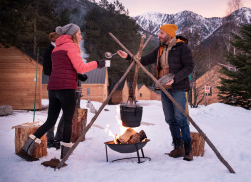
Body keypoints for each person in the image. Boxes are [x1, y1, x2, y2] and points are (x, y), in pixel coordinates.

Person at [17, 23, 106, 162]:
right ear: (72, 35)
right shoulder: (72, 46)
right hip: (66, 89)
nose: (81, 36)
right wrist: (97, 63)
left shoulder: (56, 48)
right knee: (68, 121)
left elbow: (64, 68)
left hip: (53, 88)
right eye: (79, 34)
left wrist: (76, 74)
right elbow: (80, 67)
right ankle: (65, 154)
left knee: (50, 121)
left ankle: (26, 148)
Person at [117, 24, 194, 161]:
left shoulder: (182, 48)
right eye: (159, 33)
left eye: (161, 33)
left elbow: (189, 67)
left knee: (181, 119)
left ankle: (188, 150)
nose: (159, 35)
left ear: (169, 35)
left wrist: (175, 79)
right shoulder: (160, 49)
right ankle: (178, 148)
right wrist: (128, 57)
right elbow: (144, 60)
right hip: (164, 89)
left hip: (177, 88)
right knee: (170, 119)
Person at [43, 31, 88, 150]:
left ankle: (59, 138)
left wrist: (78, 75)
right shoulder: (49, 51)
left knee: (67, 115)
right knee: (52, 116)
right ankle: (50, 139)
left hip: (68, 85)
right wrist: (59, 72)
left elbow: (71, 66)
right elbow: (47, 70)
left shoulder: (64, 49)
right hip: (57, 86)